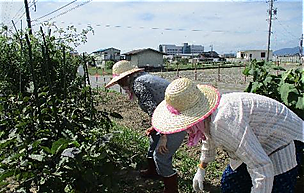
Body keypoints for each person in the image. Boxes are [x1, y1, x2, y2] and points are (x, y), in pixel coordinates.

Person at [151, 77, 304, 193]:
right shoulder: (208, 117)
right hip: (258, 139)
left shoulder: (224, 122)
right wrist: (201, 168)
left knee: (277, 185)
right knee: (230, 182)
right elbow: (207, 136)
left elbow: (261, 166)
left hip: (283, 140)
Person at [105, 60, 186, 193]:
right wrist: (155, 128)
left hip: (176, 117)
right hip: (167, 115)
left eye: (119, 81)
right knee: (153, 141)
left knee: (161, 155)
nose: (119, 84)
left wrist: (164, 135)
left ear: (126, 77)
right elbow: (157, 108)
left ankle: (171, 189)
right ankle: (153, 172)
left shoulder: (138, 85)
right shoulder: (141, 79)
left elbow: (154, 110)